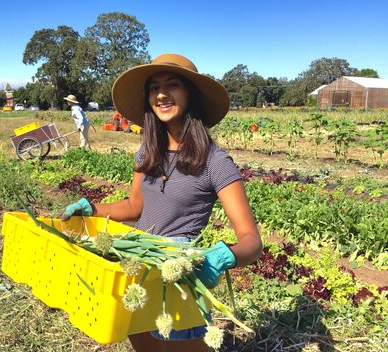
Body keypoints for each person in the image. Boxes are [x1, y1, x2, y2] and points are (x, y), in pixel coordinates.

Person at [61, 54, 262, 352]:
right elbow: (134, 206)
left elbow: (252, 242)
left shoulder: (215, 161)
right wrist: (93, 208)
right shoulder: (147, 152)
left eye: (173, 85)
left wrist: (220, 258)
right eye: (154, 87)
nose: (162, 94)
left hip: (178, 278)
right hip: (140, 270)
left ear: (191, 95)